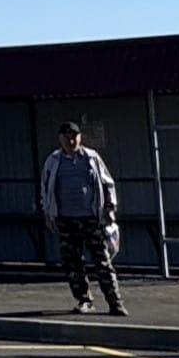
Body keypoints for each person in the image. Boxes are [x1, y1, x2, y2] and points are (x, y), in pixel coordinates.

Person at [38, 120, 125, 316]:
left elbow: (107, 183)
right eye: (66, 137)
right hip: (65, 219)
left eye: (74, 137)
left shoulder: (91, 158)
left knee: (102, 261)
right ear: (60, 138)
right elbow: (45, 188)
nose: (71, 141)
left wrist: (110, 208)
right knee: (73, 262)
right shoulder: (53, 161)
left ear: (80, 137)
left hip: (91, 219)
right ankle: (84, 299)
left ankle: (115, 302)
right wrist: (48, 213)